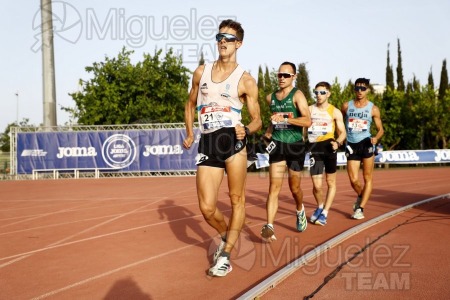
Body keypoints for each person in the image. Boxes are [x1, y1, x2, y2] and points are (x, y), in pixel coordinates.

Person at [183, 19, 261, 277]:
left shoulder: (246, 80)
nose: (223, 42)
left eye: (228, 38)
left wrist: (247, 129)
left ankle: (225, 255)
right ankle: (229, 236)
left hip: (234, 141)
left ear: (239, 43)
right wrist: (190, 132)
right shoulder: (201, 72)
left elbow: (258, 119)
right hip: (208, 141)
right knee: (206, 207)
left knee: (236, 199)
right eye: (220, 37)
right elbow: (190, 104)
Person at [260, 62, 312, 242]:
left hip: (295, 145)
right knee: (273, 187)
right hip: (278, 143)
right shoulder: (270, 98)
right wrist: (267, 134)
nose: (282, 78)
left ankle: (300, 209)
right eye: (279, 74)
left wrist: (286, 119)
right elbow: (273, 121)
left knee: (294, 187)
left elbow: (307, 121)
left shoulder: (297, 95)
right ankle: (270, 226)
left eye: (286, 75)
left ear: (294, 77)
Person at [341, 78, 384, 220]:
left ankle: (360, 208)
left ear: (368, 90)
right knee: (353, 179)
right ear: (354, 89)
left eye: (363, 88)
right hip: (351, 144)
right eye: (357, 88)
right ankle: (361, 195)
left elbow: (380, 130)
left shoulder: (373, 108)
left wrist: (376, 138)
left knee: (367, 178)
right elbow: (340, 123)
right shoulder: (346, 106)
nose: (360, 91)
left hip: (366, 143)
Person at [307, 81, 346, 225]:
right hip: (314, 149)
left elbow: (342, 132)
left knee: (330, 182)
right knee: (316, 185)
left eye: (322, 92)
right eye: (316, 92)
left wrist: (338, 142)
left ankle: (325, 213)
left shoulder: (334, 111)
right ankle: (320, 206)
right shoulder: (309, 109)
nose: (318, 95)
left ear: (328, 94)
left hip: (329, 147)